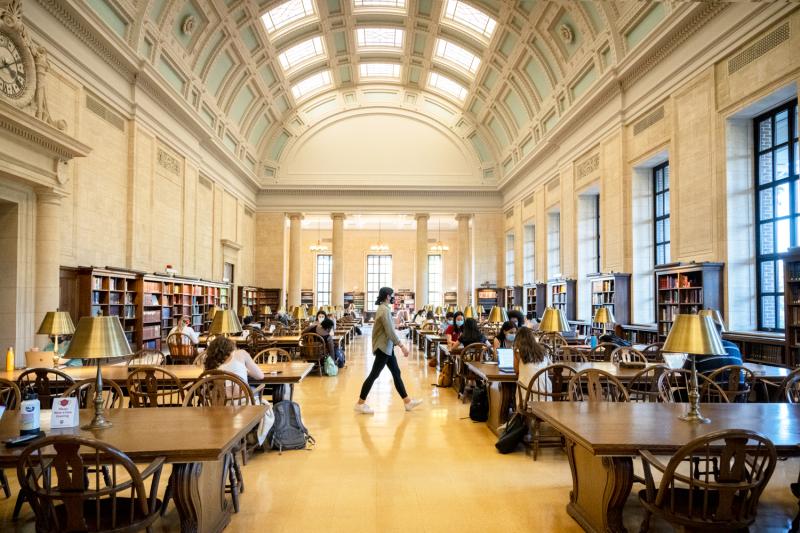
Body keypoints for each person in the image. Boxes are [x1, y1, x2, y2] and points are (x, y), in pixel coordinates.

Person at [355, 287, 422, 414]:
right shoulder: (384, 310)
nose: (393, 298)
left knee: (396, 373)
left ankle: (407, 402)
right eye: (392, 295)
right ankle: (360, 403)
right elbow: (390, 331)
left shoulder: (384, 309)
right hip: (383, 347)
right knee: (374, 375)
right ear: (387, 296)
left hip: (387, 347)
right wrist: (402, 346)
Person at [204, 336, 269, 444]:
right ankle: (255, 436)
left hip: (221, 406)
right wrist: (246, 370)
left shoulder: (212, 366)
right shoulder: (241, 354)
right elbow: (260, 376)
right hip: (244, 404)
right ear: (230, 346)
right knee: (257, 392)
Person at [515, 327, 552, 402]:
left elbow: (516, 370)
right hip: (545, 398)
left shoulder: (518, 352)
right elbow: (552, 368)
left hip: (526, 400)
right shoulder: (542, 351)